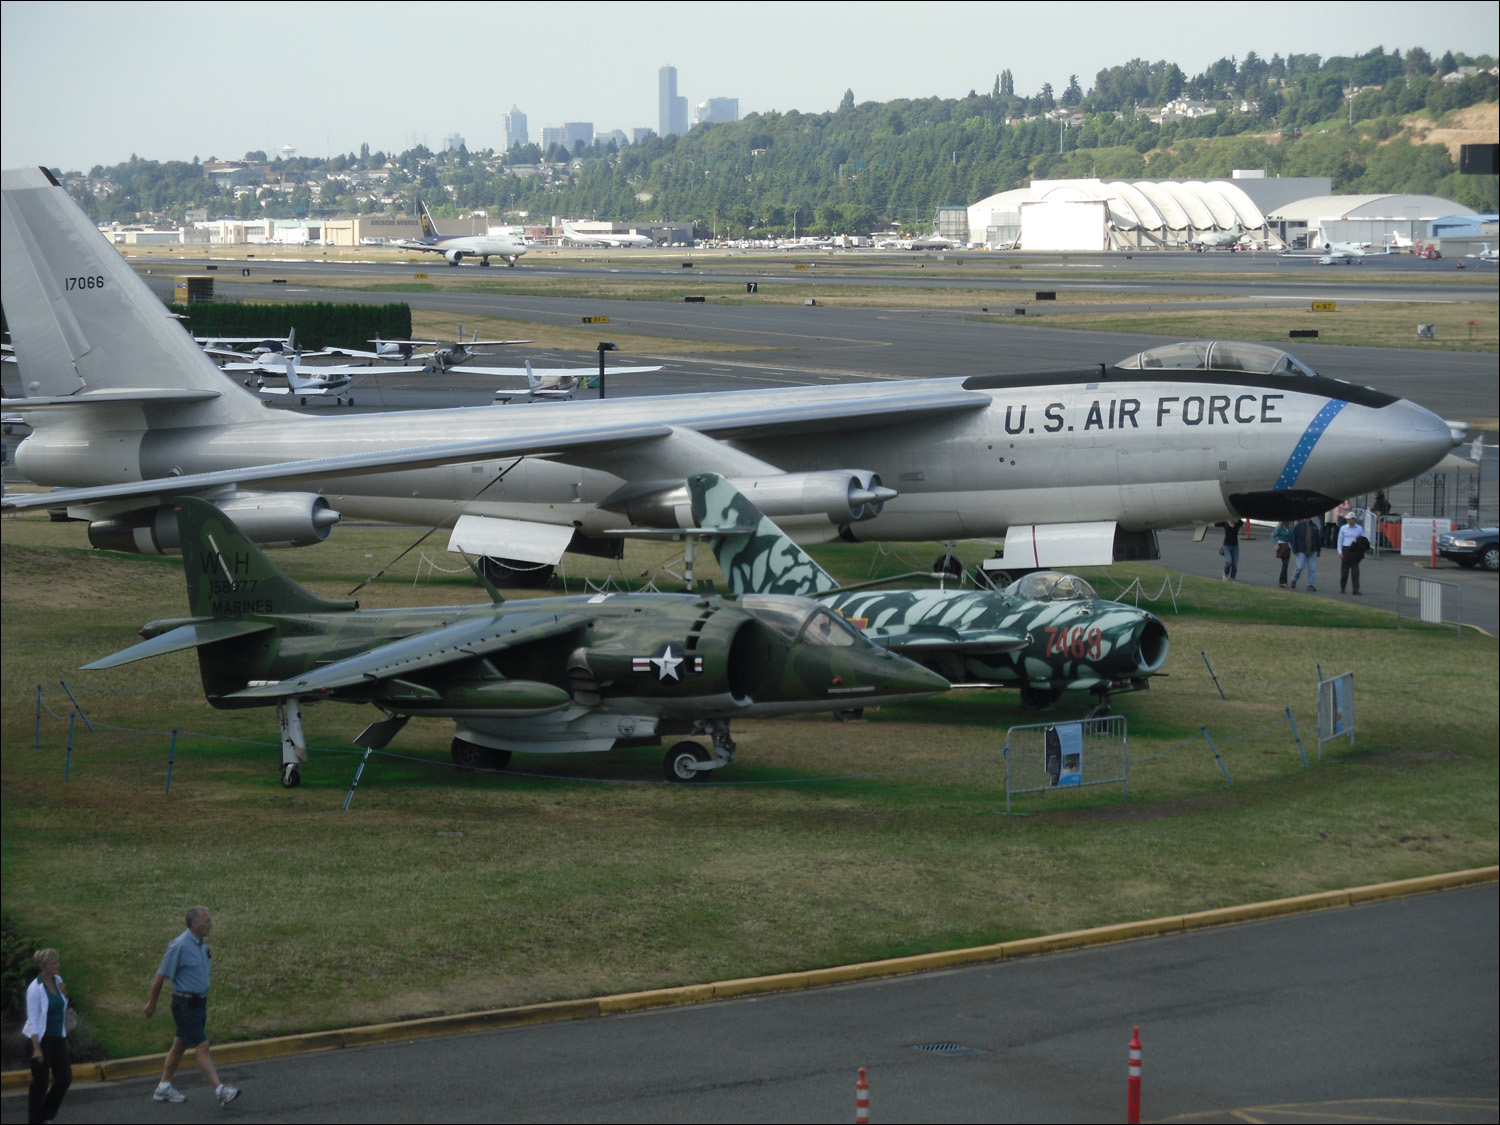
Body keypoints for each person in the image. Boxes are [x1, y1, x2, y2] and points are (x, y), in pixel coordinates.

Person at [144, 907, 240, 1107]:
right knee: (202, 1045)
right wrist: (152, 1002)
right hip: (184, 1005)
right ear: (195, 925)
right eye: (207, 920)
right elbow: (161, 974)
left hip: (198, 1004)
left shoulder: (200, 943)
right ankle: (220, 1090)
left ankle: (163, 1087)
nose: (211, 924)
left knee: (179, 1045)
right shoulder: (179, 946)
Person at [24, 948, 73, 1125]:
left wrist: (64, 992)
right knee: (40, 1083)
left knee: (65, 1078)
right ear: (44, 966)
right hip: (41, 1040)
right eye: (54, 963)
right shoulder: (35, 989)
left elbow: (62, 1005)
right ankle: (35, 1120)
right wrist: (36, 1048)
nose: (58, 965)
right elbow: (33, 1019)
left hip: (58, 1037)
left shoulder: (58, 980)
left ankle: (45, 1115)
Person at [1337, 513, 1368, 595]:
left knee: (1355, 571)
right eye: (1347, 520)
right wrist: (1339, 551)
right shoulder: (1343, 528)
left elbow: (1363, 539)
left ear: (1353, 519)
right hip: (1346, 549)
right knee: (1344, 571)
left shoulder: (1359, 528)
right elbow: (1340, 540)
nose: (1349, 521)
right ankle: (1342, 588)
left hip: (1355, 550)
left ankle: (1356, 590)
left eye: (1350, 519)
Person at [1290, 516, 1321, 591]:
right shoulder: (1298, 526)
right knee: (1300, 567)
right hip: (1301, 550)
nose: (1307, 518)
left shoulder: (1314, 526)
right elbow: (1293, 538)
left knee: (1312, 569)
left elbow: (1317, 539)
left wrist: (1318, 550)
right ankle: (1294, 579)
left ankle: (1310, 585)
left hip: (1312, 551)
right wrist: (1294, 549)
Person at [1272, 520, 1293, 587]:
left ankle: (1283, 581)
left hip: (1288, 546)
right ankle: (1282, 581)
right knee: (1285, 564)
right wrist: (1276, 544)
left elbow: (1292, 536)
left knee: (1285, 564)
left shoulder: (1290, 527)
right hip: (1282, 546)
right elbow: (1273, 536)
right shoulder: (1279, 527)